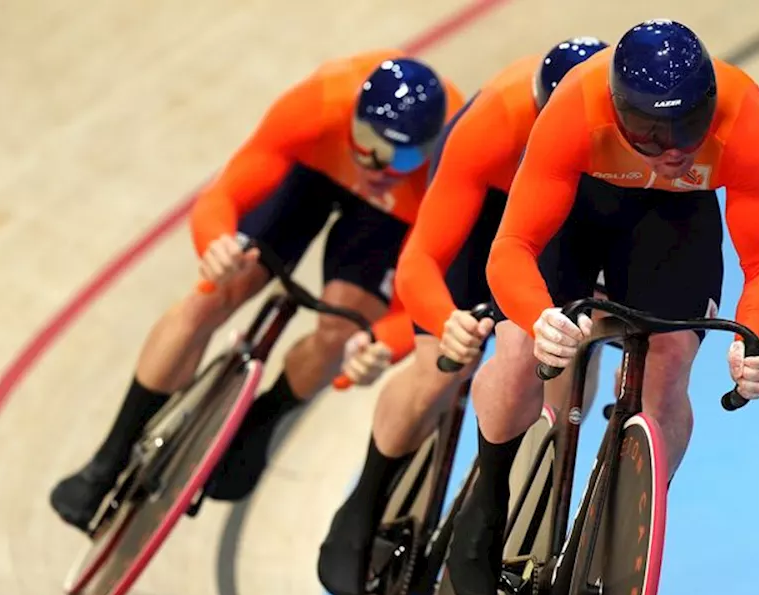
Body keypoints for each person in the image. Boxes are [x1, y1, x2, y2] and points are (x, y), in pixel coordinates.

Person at [445, 18, 759, 595]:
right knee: (519, 350)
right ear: (615, 109)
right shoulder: (576, 104)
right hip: (583, 207)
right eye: (647, 131)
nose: (671, 149)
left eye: (687, 127)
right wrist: (538, 319)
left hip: (675, 220)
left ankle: (629, 540)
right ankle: (489, 493)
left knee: (673, 356)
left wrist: (755, 338)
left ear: (710, 104)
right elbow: (512, 249)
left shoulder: (744, 117)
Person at [48, 51, 464, 531]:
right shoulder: (318, 106)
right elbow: (223, 196)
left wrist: (379, 345)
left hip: (390, 222)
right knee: (216, 293)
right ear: (353, 117)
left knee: (342, 330)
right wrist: (216, 244)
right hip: (312, 173)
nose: (379, 166)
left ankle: (261, 424)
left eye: (404, 157)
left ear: (429, 150)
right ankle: (107, 458)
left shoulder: (441, 175)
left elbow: (424, 295)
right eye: (368, 143)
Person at [314, 37, 608, 595]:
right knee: (440, 367)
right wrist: (445, 320)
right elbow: (421, 258)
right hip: (491, 213)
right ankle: (364, 501)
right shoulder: (493, 121)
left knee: (568, 353)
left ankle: (517, 488)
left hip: (567, 207)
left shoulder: (611, 140)